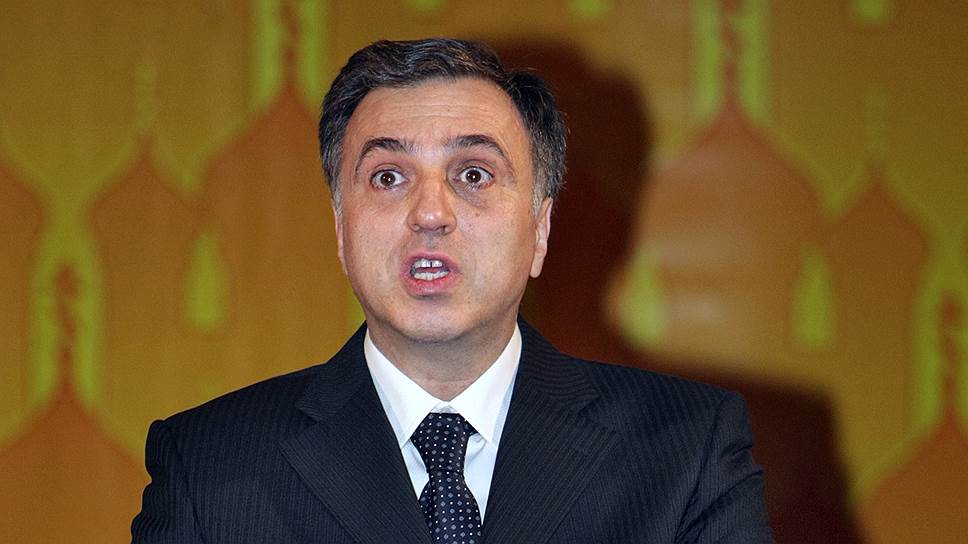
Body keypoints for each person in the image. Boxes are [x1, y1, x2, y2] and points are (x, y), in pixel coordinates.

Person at [131, 38, 773, 543]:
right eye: (388, 177)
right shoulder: (208, 465)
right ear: (341, 229)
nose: (430, 213)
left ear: (540, 228)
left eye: (473, 174)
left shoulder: (687, 451)